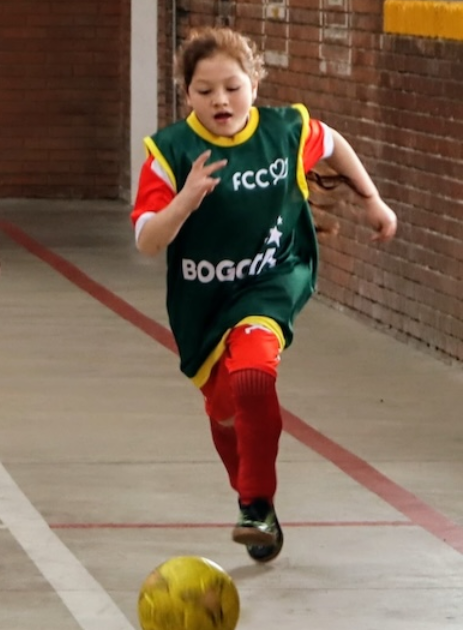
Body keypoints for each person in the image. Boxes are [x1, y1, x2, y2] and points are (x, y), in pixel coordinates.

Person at [130, 26, 397, 562]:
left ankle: (255, 503)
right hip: (204, 301)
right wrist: (185, 200)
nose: (220, 101)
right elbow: (148, 241)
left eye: (232, 87)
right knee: (227, 410)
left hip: (272, 279)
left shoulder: (284, 131)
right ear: (186, 94)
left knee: (254, 375)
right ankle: (258, 510)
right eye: (205, 91)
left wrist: (371, 199)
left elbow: (333, 143)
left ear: (254, 83)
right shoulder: (171, 152)